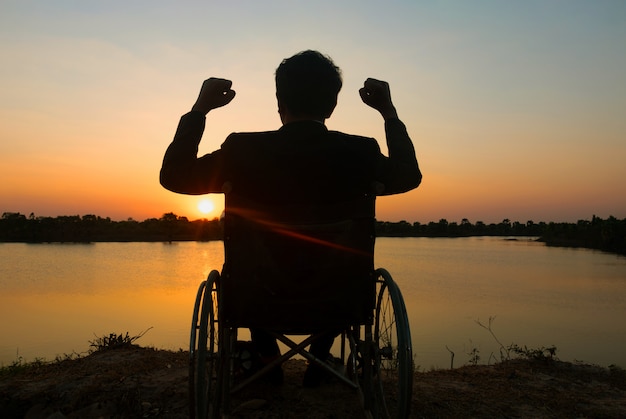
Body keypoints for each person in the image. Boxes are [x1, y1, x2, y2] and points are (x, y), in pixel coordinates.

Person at [160, 50, 422, 386]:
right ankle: (320, 362)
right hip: (340, 299)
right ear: (332, 105)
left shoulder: (242, 151)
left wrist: (199, 110)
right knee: (335, 263)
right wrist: (389, 113)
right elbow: (409, 175)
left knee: (257, 261)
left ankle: (267, 358)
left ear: (279, 101)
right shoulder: (360, 153)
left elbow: (175, 176)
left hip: (256, 297)